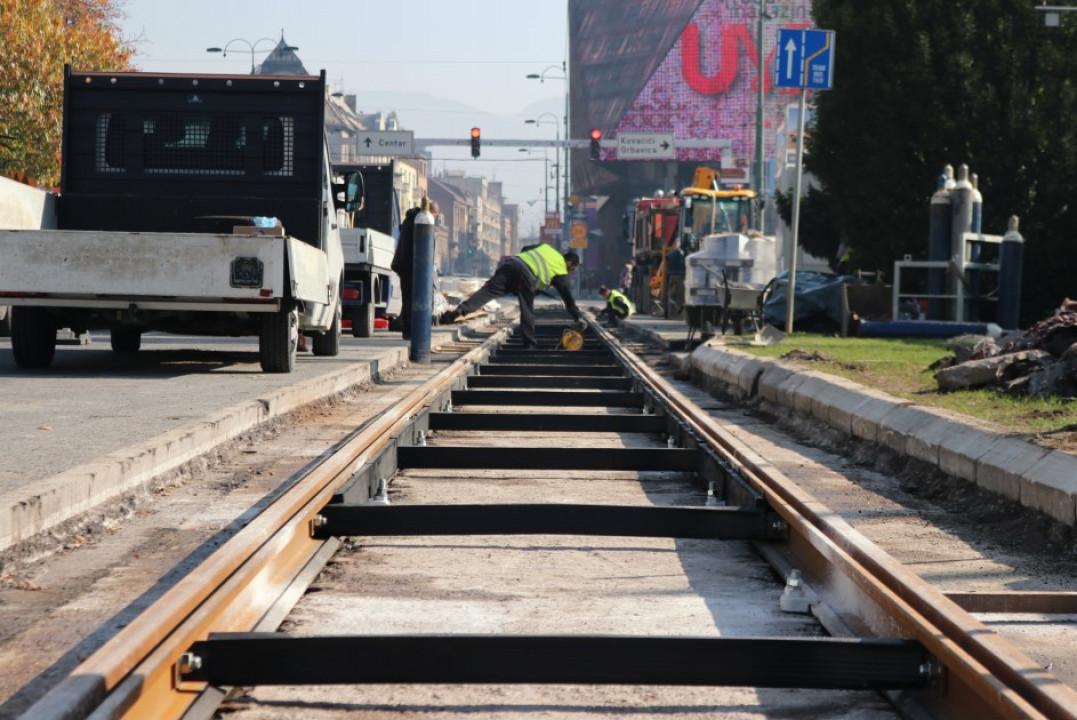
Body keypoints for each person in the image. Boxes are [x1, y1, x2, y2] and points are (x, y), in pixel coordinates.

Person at [441, 243, 582, 348]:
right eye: (572, 269)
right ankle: (529, 344)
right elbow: (567, 296)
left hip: (511, 264)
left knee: (486, 292)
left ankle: (455, 313)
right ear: (570, 263)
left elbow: (526, 249)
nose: (571, 272)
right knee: (527, 309)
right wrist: (577, 316)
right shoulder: (560, 269)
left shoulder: (547, 248)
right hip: (526, 276)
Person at [391, 201, 439, 340]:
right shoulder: (421, 220)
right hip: (413, 266)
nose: (436, 219)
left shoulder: (411, 218)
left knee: (408, 300)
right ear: (431, 212)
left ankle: (408, 332)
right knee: (416, 299)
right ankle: (414, 331)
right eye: (436, 215)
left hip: (404, 264)